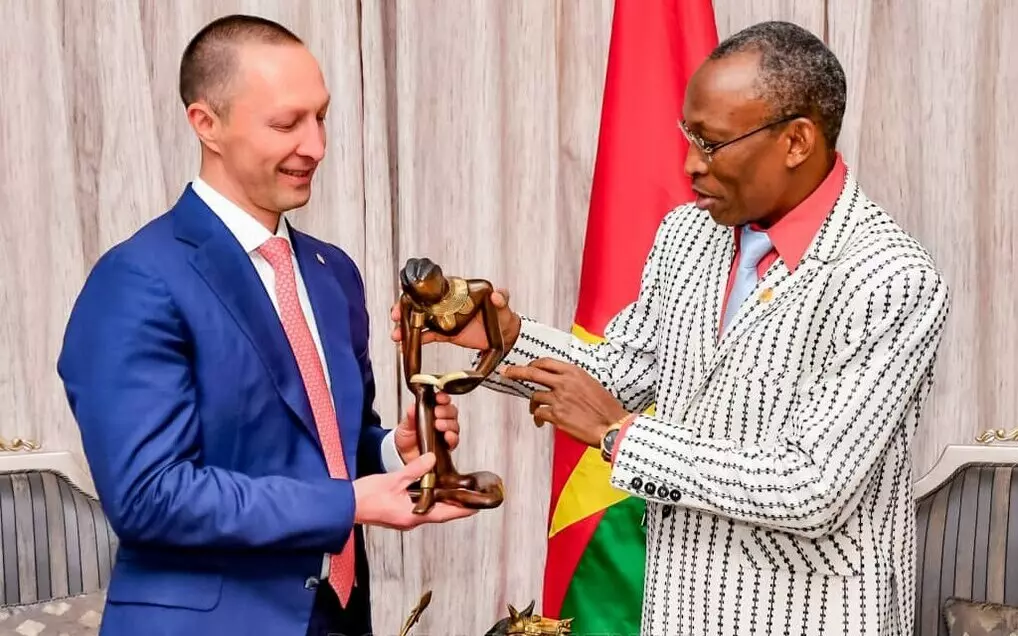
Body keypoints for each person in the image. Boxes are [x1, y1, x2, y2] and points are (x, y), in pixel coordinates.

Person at [393, 21, 950, 636]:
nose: (689, 164)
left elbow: (810, 486)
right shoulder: (687, 234)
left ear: (796, 141)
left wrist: (619, 437)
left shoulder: (890, 278)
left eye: (712, 144)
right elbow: (625, 373)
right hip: (675, 613)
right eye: (689, 136)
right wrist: (502, 336)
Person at [57, 14, 475, 636]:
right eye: (286, 124)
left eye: (321, 118)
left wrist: (394, 450)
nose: (316, 147)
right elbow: (150, 496)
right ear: (206, 123)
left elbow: (323, 445)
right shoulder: (137, 280)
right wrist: (349, 502)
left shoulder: (334, 274)